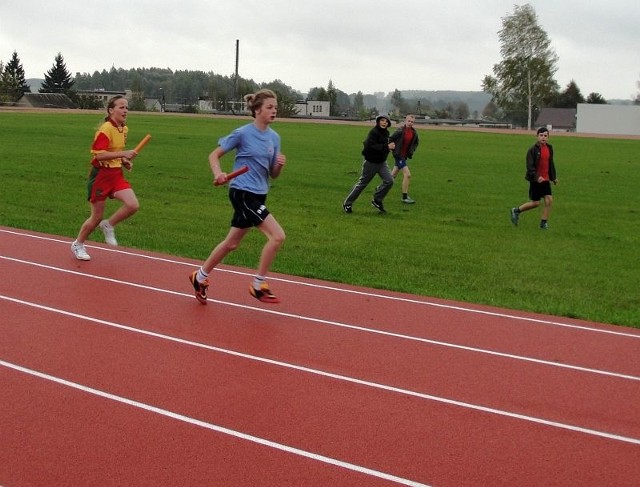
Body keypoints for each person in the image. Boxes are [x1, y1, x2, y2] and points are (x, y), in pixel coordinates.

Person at [189, 89, 286, 305]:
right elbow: (214, 155)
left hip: (260, 194)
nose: (274, 111)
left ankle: (200, 276)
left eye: (275, 108)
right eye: (269, 107)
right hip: (242, 192)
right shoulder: (242, 133)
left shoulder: (274, 138)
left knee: (231, 244)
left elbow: (273, 175)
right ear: (257, 109)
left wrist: (278, 166)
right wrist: (218, 173)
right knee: (277, 236)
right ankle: (258, 284)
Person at [70, 95, 140, 261]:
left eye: (127, 108)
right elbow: (100, 155)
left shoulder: (124, 129)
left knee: (132, 205)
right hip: (101, 175)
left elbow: (113, 152)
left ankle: (109, 225)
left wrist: (124, 162)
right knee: (96, 217)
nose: (125, 111)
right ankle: (78, 244)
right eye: (121, 107)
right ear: (111, 110)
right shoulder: (106, 129)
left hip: (116, 174)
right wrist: (124, 153)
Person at [343, 115, 395, 213]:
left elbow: (383, 148)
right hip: (371, 163)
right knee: (362, 184)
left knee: (389, 181)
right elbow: (370, 146)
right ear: (378, 122)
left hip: (382, 162)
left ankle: (377, 200)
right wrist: (387, 147)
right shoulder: (373, 132)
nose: (384, 123)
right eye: (382, 121)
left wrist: (389, 149)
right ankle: (347, 203)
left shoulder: (386, 133)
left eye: (386, 121)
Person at [510, 126, 558, 229]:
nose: (543, 137)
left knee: (549, 200)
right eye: (541, 135)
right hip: (536, 180)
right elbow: (530, 167)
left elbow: (550, 163)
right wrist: (537, 177)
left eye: (545, 135)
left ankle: (543, 222)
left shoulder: (549, 148)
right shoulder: (532, 150)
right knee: (535, 203)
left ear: (548, 137)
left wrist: (553, 177)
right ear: (537, 136)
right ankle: (516, 210)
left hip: (545, 179)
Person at [389, 114, 420, 204]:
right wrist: (392, 149)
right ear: (405, 121)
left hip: (404, 156)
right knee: (408, 175)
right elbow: (390, 139)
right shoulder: (400, 130)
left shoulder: (414, 132)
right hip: (398, 156)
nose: (410, 123)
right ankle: (404, 197)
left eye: (412, 122)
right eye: (409, 121)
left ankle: (381, 188)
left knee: (392, 176)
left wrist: (411, 151)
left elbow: (416, 143)